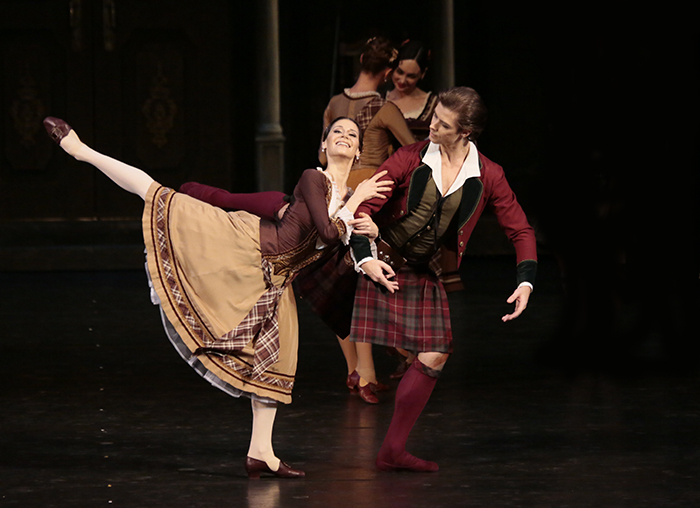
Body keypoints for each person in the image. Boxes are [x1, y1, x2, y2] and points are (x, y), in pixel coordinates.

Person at [42, 115, 392, 478]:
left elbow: (353, 243)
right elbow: (329, 231)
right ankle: (81, 150)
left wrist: (371, 255)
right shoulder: (313, 178)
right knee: (160, 196)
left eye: (352, 134)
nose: (345, 137)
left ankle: (261, 452)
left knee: (278, 360)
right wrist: (358, 205)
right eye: (337, 131)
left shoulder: (353, 202)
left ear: (359, 152)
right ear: (324, 145)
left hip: (277, 280)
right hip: (247, 247)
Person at [347, 87, 538, 472]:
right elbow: (363, 206)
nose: (431, 125)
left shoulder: (488, 174)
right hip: (381, 259)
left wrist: (525, 281)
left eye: (443, 124)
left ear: (466, 132)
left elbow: (520, 230)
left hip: (421, 271)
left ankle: (392, 450)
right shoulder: (409, 157)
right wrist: (365, 258)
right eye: (434, 116)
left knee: (436, 353)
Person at [319, 36, 417, 401]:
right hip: (372, 195)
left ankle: (358, 371)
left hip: (336, 189)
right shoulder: (385, 106)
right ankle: (378, 364)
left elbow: (322, 146)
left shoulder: (334, 103)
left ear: (361, 60)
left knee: (343, 282)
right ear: (389, 72)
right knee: (368, 279)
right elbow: (411, 151)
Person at [385, 40, 438, 141]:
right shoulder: (380, 101)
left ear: (422, 74)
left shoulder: (433, 105)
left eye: (411, 76)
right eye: (400, 72)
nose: (402, 80)